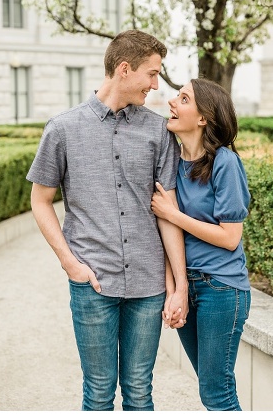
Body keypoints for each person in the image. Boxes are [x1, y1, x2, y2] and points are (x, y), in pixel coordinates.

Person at [27, 29, 188, 410]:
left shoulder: (158, 132)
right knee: (98, 392)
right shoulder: (63, 129)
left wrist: (178, 285)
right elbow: (40, 200)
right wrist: (70, 264)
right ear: (124, 69)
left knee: (139, 391)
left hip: (148, 286)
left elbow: (169, 214)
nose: (155, 84)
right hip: (92, 282)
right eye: (151, 74)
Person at [150, 78, 251, 410]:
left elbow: (230, 237)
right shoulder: (173, 164)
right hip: (187, 285)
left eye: (183, 98)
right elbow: (165, 234)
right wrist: (174, 290)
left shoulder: (225, 163)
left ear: (204, 117)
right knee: (214, 386)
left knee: (216, 391)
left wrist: (174, 213)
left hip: (221, 288)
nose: (171, 103)